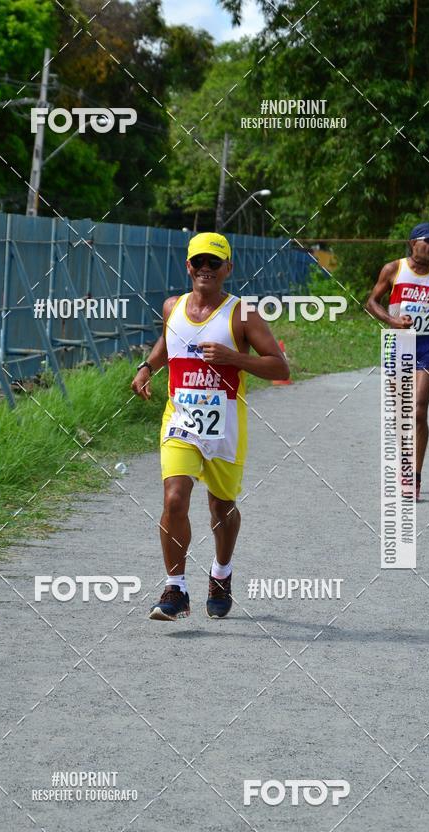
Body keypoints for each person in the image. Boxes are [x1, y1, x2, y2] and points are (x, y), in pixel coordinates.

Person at [131, 232, 289, 621]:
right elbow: (169, 342)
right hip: (180, 419)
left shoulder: (242, 314)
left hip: (224, 426)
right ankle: (176, 589)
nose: (205, 269)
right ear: (188, 266)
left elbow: (280, 367)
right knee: (174, 499)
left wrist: (234, 358)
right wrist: (148, 366)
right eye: (198, 262)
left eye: (213, 263)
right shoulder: (173, 307)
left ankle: (221, 573)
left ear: (227, 269)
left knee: (221, 506)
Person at [365, 222, 429, 500]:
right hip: (398, 343)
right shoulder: (394, 269)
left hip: (427, 344)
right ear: (413, 242)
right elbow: (371, 302)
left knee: (419, 411)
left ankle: (414, 477)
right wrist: (393, 321)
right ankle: (404, 465)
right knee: (403, 413)